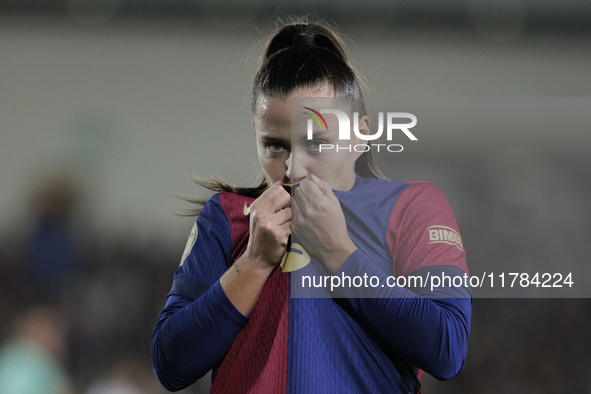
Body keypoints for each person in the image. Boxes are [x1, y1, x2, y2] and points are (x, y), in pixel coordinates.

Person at [151, 20, 471, 394]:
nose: (292, 168)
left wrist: (338, 252)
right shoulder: (228, 216)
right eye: (275, 145)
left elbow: (447, 350)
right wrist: (254, 262)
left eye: (316, 143)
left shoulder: (411, 207)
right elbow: (171, 365)